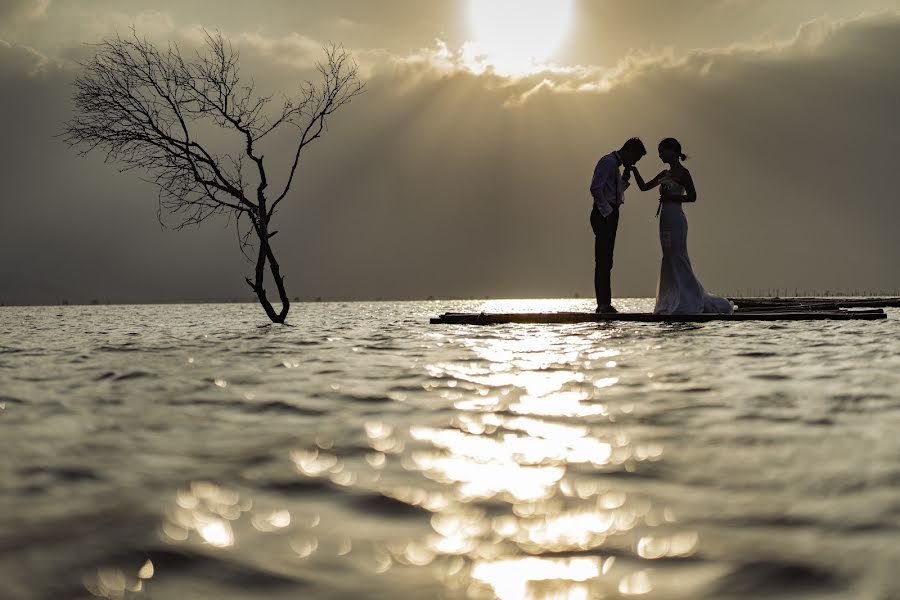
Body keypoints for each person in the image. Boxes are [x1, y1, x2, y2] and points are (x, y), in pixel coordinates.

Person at [631, 138, 733, 315]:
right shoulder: (664, 173)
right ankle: (670, 299)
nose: (660, 154)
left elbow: (692, 196)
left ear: (672, 151)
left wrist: (672, 198)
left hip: (677, 218)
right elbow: (644, 187)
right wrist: (634, 170)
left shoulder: (683, 173)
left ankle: (688, 299)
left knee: (678, 256)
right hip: (664, 220)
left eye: (662, 150)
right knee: (668, 257)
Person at [589, 137, 646, 313]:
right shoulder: (607, 162)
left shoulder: (615, 166)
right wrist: (607, 212)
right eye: (635, 158)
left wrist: (624, 180)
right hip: (604, 213)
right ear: (628, 151)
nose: (634, 162)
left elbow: (614, 191)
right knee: (603, 260)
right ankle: (603, 304)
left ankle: (605, 302)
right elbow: (596, 188)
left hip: (611, 212)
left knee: (607, 260)